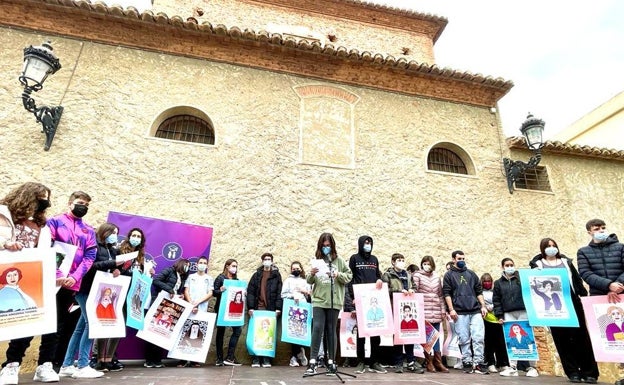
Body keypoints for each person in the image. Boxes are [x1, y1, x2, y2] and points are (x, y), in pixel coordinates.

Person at [0, 182, 57, 385]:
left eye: (46, 199)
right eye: (41, 198)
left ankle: (11, 366)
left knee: (28, 321)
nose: (44, 203)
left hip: (29, 279)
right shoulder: (4, 214)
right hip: (3, 275)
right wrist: (4, 244)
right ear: (27, 196)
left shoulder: (41, 226)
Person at [47, 191, 104, 380]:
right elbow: (46, 248)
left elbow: (89, 257)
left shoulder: (88, 230)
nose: (83, 207)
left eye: (87, 205)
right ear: (70, 203)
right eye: (80, 203)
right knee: (50, 323)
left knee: (63, 324)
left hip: (73, 283)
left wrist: (75, 276)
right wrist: (57, 275)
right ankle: (46, 364)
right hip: (52, 280)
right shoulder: (55, 222)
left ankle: (61, 364)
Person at [529, 237, 598, 383]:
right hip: (552, 306)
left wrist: (583, 297)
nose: (552, 248)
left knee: (582, 337)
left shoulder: (566, 262)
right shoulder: (538, 265)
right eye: (548, 246)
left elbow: (577, 280)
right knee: (562, 339)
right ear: (543, 249)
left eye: (554, 245)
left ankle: (589, 372)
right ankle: (572, 372)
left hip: (571, 301)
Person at [577, 219, 624, 385]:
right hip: (599, 298)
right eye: (597, 228)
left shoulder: (620, 247)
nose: (601, 230)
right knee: (607, 336)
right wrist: (607, 285)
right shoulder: (583, 252)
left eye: (603, 228)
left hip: (621, 294)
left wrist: (617, 285)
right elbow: (585, 273)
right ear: (589, 231)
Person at [73, 222, 124, 372]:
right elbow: (92, 265)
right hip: (85, 289)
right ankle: (83, 364)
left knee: (80, 327)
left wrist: (116, 268)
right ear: (104, 232)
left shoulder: (113, 250)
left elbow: (110, 266)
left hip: (98, 291)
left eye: (116, 232)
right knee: (91, 325)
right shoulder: (94, 246)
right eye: (112, 232)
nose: (114, 235)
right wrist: (113, 263)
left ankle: (68, 363)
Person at [304, 232, 352, 376]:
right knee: (318, 328)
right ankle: (313, 362)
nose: (326, 248)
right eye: (323, 246)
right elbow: (309, 280)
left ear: (332, 246)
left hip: (334, 300)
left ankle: (331, 361)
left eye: (328, 245)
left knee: (331, 330)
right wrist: (312, 273)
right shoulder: (317, 260)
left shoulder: (339, 261)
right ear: (320, 246)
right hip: (319, 299)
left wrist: (338, 275)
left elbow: (349, 276)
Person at [442, 250, 488, 375]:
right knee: (464, 338)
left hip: (475, 310)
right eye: (459, 258)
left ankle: (478, 362)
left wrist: (483, 306)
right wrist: (451, 309)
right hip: (459, 312)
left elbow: (478, 291)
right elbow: (447, 293)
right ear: (453, 260)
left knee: (478, 337)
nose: (461, 260)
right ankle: (467, 361)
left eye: (463, 258)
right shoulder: (448, 275)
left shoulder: (471, 274)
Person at [345, 235, 386, 375]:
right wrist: (353, 297)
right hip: (360, 299)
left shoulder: (374, 259)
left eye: (369, 243)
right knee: (361, 333)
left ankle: (374, 362)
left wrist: (380, 279)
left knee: (375, 331)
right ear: (360, 244)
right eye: (365, 243)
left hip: (373, 299)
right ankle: (361, 362)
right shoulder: (354, 258)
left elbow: (377, 275)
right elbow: (350, 279)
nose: (367, 245)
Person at [491, 257, 537, 377]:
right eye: (507, 265)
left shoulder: (521, 280)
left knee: (528, 337)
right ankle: (513, 366)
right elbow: (496, 300)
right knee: (511, 339)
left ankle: (532, 367)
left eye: (511, 264)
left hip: (523, 311)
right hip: (508, 313)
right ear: (502, 267)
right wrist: (499, 315)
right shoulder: (498, 283)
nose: (510, 267)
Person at [381, 253, 424, 374]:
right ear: (393, 262)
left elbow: (415, 286)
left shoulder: (408, 274)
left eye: (402, 260)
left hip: (408, 308)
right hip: (395, 308)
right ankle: (398, 363)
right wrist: (399, 291)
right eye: (399, 260)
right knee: (398, 337)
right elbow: (384, 290)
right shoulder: (388, 274)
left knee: (409, 335)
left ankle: (411, 361)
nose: (401, 262)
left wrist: (412, 290)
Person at [144, 258, 190, 368]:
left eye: (188, 266)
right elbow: (156, 281)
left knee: (162, 331)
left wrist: (180, 295)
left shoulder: (183, 277)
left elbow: (176, 291)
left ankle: (157, 360)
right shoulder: (170, 271)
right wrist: (169, 289)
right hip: (159, 304)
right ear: (181, 264)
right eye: (186, 265)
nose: (187, 267)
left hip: (170, 308)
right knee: (152, 331)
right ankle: (149, 360)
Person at [246, 252, 283, 368]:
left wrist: (278, 308)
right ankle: (256, 358)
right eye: (265, 259)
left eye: (269, 259)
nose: (267, 261)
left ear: (272, 261)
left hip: (271, 310)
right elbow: (251, 292)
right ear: (262, 261)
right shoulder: (256, 275)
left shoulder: (276, 276)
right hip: (258, 309)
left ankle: (266, 359)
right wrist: (251, 307)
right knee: (257, 334)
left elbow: (279, 293)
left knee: (269, 335)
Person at [413, 255, 448, 373]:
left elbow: (440, 295)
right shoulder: (417, 275)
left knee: (437, 336)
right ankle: (429, 362)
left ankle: (438, 362)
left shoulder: (437, 276)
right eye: (424, 263)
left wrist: (443, 310)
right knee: (427, 337)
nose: (427, 266)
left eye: (429, 263)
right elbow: (415, 291)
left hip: (436, 310)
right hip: (424, 310)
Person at [178, 255, 213, 367]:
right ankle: (182, 358)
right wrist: (191, 303)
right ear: (196, 265)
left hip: (202, 308)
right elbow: (186, 290)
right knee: (185, 331)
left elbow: (210, 293)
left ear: (206, 265)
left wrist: (198, 302)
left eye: (204, 263)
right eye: (200, 262)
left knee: (198, 332)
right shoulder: (191, 277)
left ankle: (194, 359)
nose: (202, 264)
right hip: (190, 307)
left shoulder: (209, 278)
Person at [213, 259, 243, 366]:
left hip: (233, 311)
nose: (235, 268)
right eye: (233, 266)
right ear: (227, 266)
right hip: (221, 309)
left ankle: (230, 357)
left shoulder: (236, 280)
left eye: (236, 266)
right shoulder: (220, 277)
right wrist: (220, 290)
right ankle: (219, 358)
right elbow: (214, 292)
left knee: (237, 330)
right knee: (220, 333)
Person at [281, 261, 311, 367]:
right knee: (292, 333)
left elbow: (310, 294)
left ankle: (298, 353)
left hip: (303, 309)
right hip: (292, 309)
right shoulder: (288, 281)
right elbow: (283, 294)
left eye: (297, 268)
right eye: (294, 269)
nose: (296, 270)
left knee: (301, 332)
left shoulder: (305, 280)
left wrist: (304, 292)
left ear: (301, 269)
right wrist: (292, 295)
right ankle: (295, 355)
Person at [480, 272, 508, 374]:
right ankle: (490, 363)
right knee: (489, 343)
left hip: (498, 319)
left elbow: (500, 301)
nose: (487, 283)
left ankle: (503, 363)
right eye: (485, 281)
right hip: (486, 320)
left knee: (500, 343)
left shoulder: (495, 290)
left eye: (489, 281)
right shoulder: (480, 293)